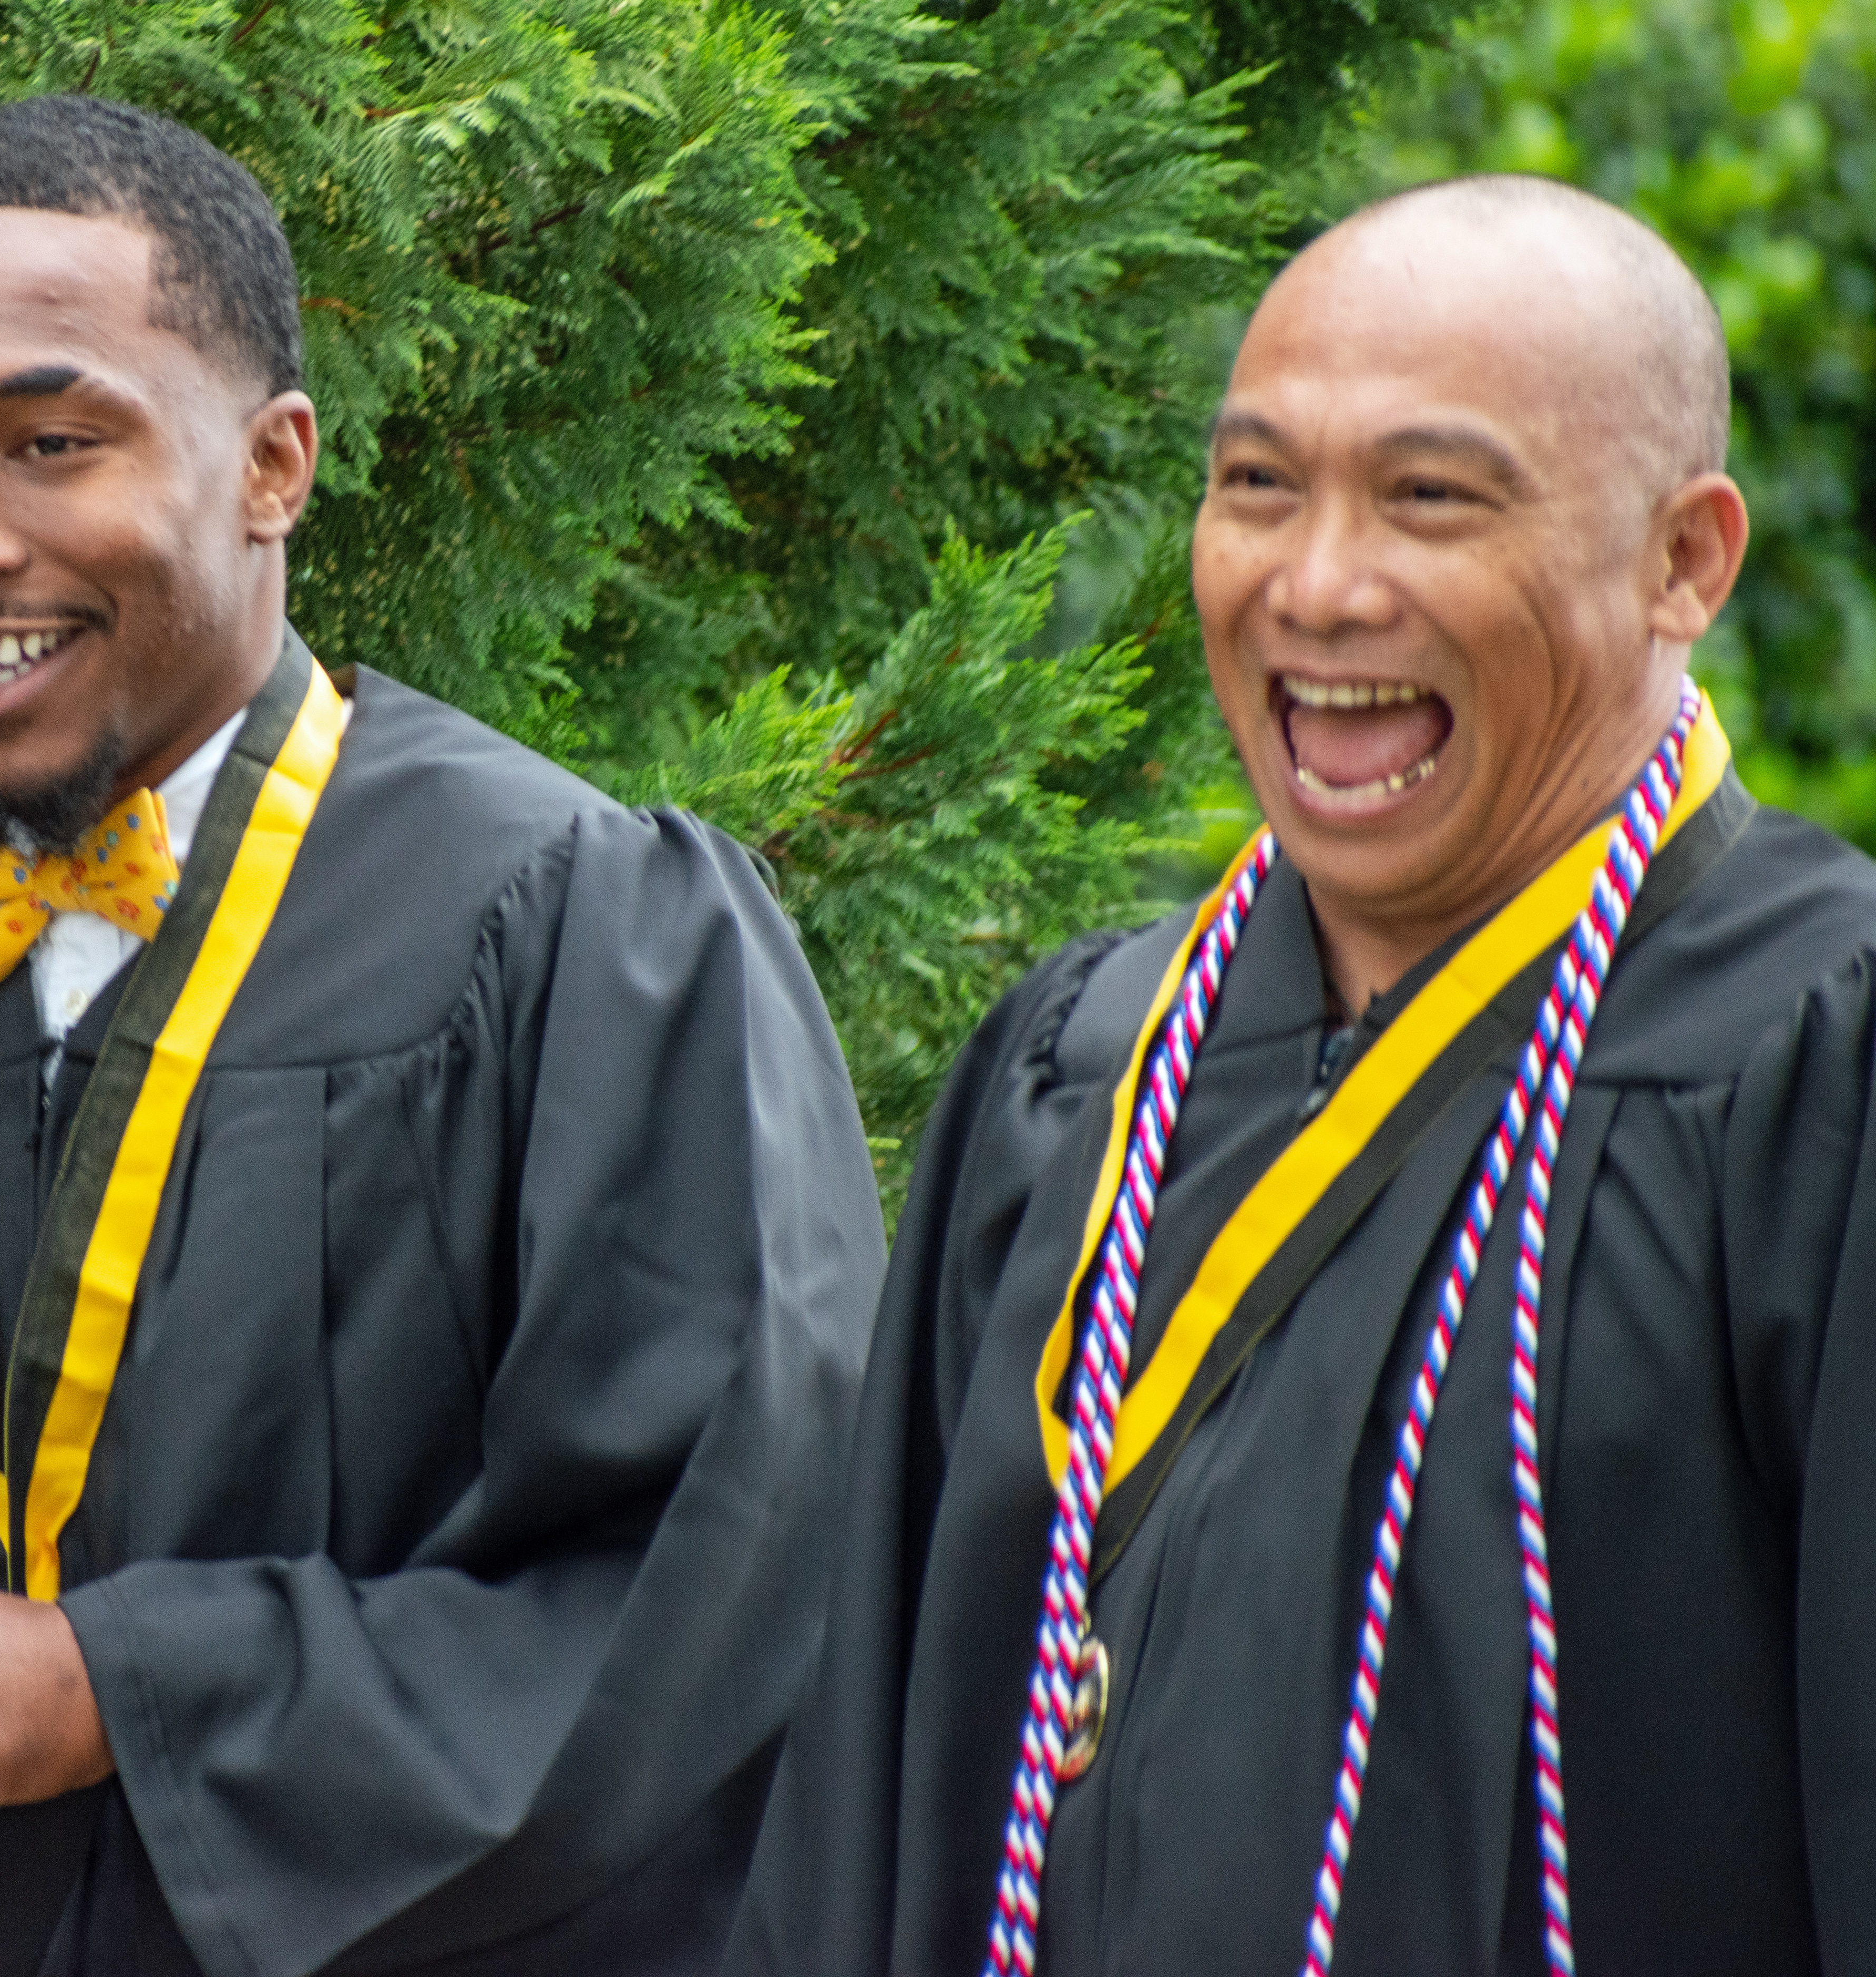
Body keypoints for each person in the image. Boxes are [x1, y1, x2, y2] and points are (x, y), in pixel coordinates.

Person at [0, 93, 888, 1977]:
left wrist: (125, 1692)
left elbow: (714, 1601)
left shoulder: (575, 934)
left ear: (273, 464)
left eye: (51, 443)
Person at [727, 175, 1876, 1976]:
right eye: (1258, 485)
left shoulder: (1822, 1076)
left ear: (1687, 562)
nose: (1319, 586)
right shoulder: (1081, 1077)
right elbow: (861, 1828)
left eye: (1431, 497)